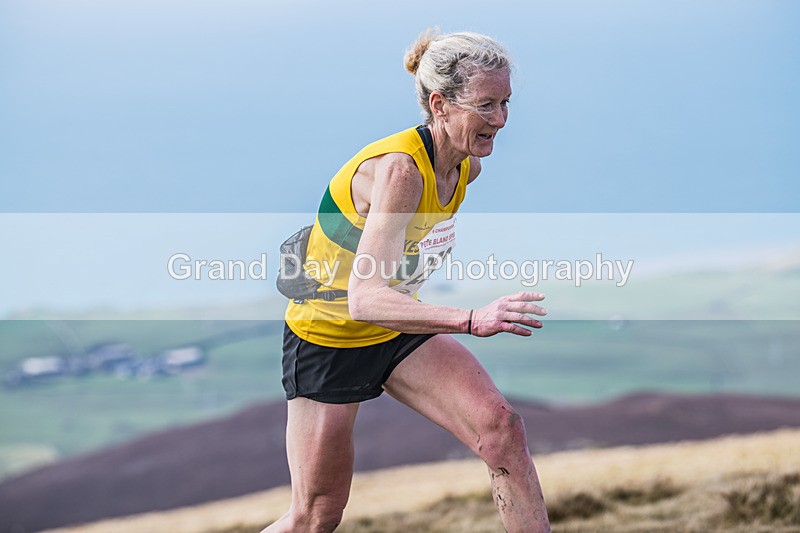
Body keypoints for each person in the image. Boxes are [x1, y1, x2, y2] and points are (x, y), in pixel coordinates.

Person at [264, 29, 550, 533]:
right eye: (486, 104)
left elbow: (402, 263)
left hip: (397, 329)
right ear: (439, 104)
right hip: (330, 339)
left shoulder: (467, 167)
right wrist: (471, 318)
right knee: (315, 516)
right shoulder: (401, 171)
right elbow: (365, 299)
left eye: (505, 102)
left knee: (501, 431)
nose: (501, 120)